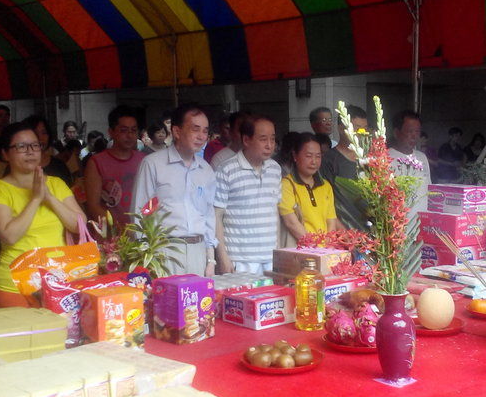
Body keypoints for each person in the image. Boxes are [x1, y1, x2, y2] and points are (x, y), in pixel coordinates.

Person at [0, 122, 85, 308]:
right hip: (14, 284)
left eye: (35, 145)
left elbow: (79, 225)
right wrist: (36, 199)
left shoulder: (56, 184)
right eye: (21, 146)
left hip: (58, 280)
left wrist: (49, 197)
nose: (30, 151)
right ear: (5, 154)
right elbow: (9, 235)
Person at [132, 104, 217, 277]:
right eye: (195, 129)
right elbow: (141, 213)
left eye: (205, 131)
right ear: (177, 131)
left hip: (198, 251)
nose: (201, 136)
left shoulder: (206, 170)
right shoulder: (153, 164)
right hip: (164, 252)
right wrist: (146, 260)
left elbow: (208, 216)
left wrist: (210, 260)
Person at [214, 114, 281, 274]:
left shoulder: (275, 169)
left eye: (272, 139)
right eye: (263, 139)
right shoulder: (226, 170)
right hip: (239, 260)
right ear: (246, 140)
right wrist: (223, 257)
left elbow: (275, 212)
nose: (269, 145)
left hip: (270, 258)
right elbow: (216, 216)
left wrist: (277, 251)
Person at [84, 106, 144, 225]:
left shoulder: (144, 160)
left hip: (141, 229)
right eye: (123, 130)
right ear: (111, 132)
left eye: (133, 130)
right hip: (111, 232)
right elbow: (93, 206)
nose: (129, 135)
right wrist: (117, 228)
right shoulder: (96, 162)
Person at [279, 133, 339, 243]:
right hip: (300, 250)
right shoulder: (286, 185)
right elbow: (291, 223)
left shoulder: (326, 186)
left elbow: (331, 222)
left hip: (324, 249)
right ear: (295, 156)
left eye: (318, 156)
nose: (314, 161)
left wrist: (327, 246)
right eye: (308, 156)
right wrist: (314, 247)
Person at [320, 104, 368, 228]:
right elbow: (324, 200)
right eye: (357, 128)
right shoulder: (328, 160)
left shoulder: (370, 159)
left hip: (371, 229)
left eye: (365, 128)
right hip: (343, 230)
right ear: (341, 128)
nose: (361, 133)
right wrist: (343, 232)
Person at [387, 110, 431, 216]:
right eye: (410, 131)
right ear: (396, 133)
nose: (414, 136)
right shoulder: (385, 158)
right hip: (398, 223)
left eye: (417, 132)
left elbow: (429, 189)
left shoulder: (422, 157)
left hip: (423, 221)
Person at [21, 115, 73, 185]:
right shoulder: (17, 166)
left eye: (44, 133)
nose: (40, 138)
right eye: (35, 133)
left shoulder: (59, 166)